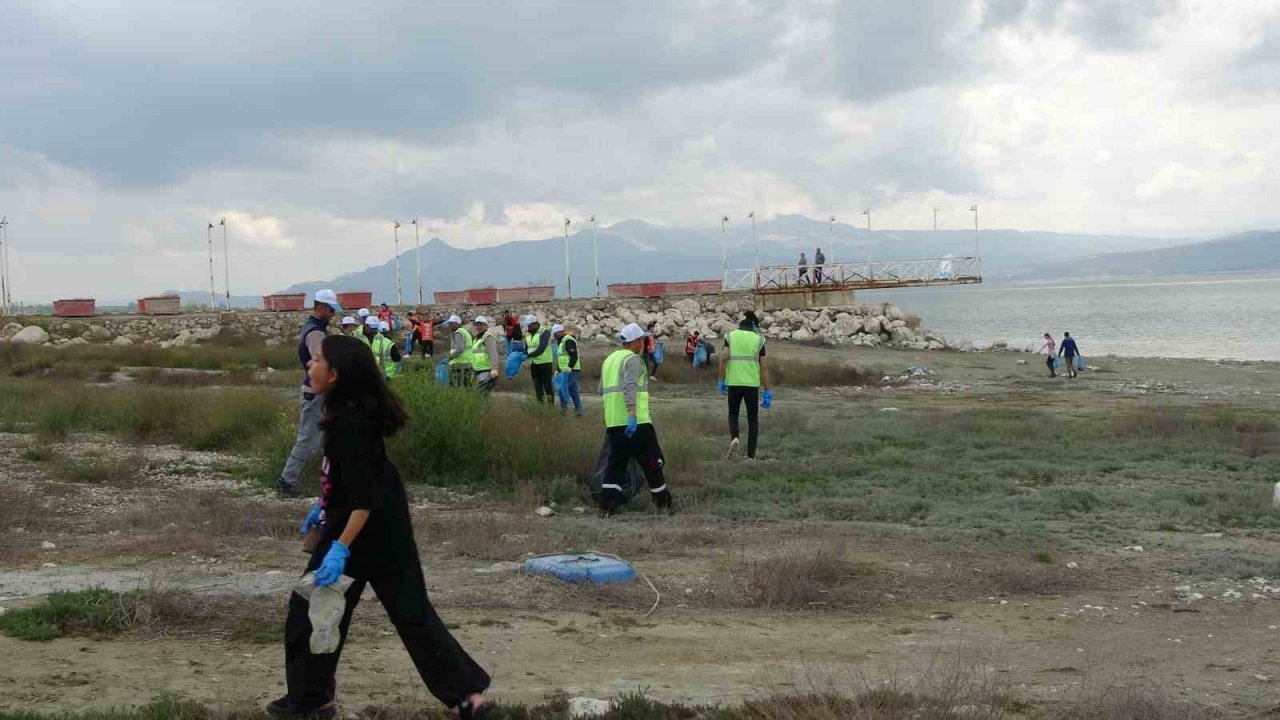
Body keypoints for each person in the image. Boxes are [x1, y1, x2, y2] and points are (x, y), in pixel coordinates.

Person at [270, 334, 491, 720]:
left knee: (311, 608)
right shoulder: (345, 412)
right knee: (409, 612)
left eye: (317, 360)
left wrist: (340, 548)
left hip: (364, 528)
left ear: (335, 374)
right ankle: (469, 696)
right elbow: (356, 478)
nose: (309, 364)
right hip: (382, 524)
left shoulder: (349, 422)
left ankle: (311, 701)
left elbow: (365, 498)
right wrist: (322, 504)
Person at [597, 323, 675, 515]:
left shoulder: (610, 360)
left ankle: (607, 506)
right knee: (653, 462)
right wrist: (632, 414)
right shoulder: (632, 360)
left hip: (614, 423)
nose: (644, 344)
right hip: (636, 423)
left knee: (616, 465)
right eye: (644, 340)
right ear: (638, 341)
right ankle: (663, 503)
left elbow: (601, 390)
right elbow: (629, 387)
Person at [276, 289, 342, 499]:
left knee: (328, 440)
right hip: (316, 393)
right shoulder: (316, 333)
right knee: (308, 440)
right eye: (331, 310)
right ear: (320, 307)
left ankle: (333, 481)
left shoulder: (315, 329)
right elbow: (321, 365)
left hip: (318, 393)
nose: (333, 314)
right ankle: (286, 481)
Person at [718, 313, 771, 460]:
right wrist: (767, 390)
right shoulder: (759, 340)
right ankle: (751, 455)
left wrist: (721, 380)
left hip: (733, 383)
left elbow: (723, 358)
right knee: (752, 419)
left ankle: (735, 438)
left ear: (740, 326)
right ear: (753, 327)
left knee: (733, 414)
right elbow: (764, 367)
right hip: (751, 385)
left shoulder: (730, 337)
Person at [524, 316, 555, 404]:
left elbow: (541, 348)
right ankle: (540, 404)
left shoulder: (544, 332)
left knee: (547, 386)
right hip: (534, 364)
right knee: (537, 386)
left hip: (545, 363)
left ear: (535, 324)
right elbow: (527, 348)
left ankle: (550, 406)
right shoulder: (528, 334)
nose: (528, 327)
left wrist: (528, 355)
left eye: (529, 325)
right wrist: (522, 355)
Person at [554, 324, 582, 416]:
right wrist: (558, 369)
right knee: (573, 391)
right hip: (564, 370)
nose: (554, 336)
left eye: (555, 333)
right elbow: (561, 357)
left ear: (560, 332)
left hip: (571, 370)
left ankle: (564, 411)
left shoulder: (568, 340)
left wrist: (570, 367)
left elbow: (573, 355)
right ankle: (579, 411)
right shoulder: (561, 341)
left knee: (563, 388)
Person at [469, 316, 501, 395]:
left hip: (486, 370)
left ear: (486, 326)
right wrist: (473, 370)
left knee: (482, 394)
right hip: (477, 370)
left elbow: (494, 354)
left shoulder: (487, 337)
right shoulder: (477, 339)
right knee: (478, 394)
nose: (479, 326)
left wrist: (495, 368)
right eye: (477, 324)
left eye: (481, 324)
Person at [445, 315, 473, 387]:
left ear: (457, 323)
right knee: (467, 385)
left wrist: (449, 358)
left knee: (457, 385)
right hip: (467, 363)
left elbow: (460, 349)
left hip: (460, 364)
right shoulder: (465, 332)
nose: (449, 325)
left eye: (451, 323)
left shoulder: (458, 333)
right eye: (449, 323)